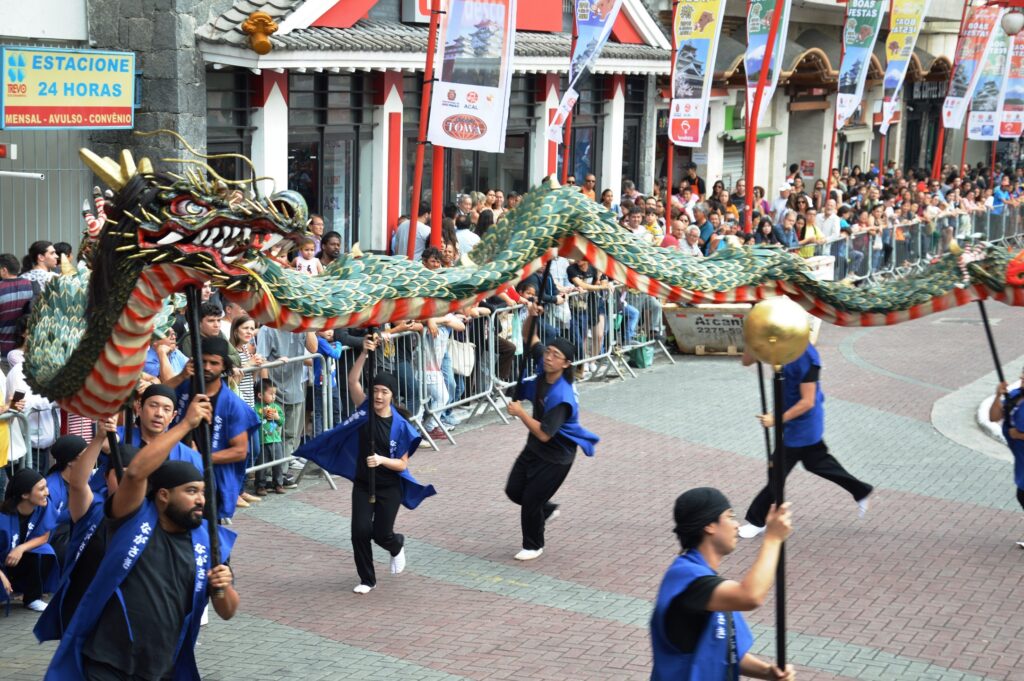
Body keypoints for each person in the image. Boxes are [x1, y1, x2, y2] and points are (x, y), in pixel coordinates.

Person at [43, 394, 241, 681]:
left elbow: (228, 611)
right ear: (161, 496)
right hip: (107, 661)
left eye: (202, 492)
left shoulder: (209, 542)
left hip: (160, 666)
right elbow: (131, 475)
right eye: (190, 492)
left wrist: (223, 588)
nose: (200, 500)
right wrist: (186, 423)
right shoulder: (131, 521)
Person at [293, 337, 435, 594]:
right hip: (362, 482)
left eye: (385, 392)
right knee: (359, 531)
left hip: (389, 485)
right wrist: (364, 354)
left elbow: (402, 465)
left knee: (381, 533)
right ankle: (367, 579)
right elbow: (352, 381)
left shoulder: (402, 427)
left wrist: (381, 460)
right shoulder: (365, 408)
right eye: (376, 390)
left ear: (392, 396)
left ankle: (396, 545)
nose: (379, 395)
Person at [651, 487, 795, 680]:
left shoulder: (697, 575)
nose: (736, 525)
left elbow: (724, 654)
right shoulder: (689, 580)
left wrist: (768, 672)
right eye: (730, 516)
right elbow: (750, 596)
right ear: (709, 526)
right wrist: (773, 539)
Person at [738, 343, 873, 538]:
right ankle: (861, 490)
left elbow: (807, 402)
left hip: (803, 425)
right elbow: (747, 361)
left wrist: (776, 419)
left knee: (777, 472)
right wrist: (753, 339)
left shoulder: (806, 357)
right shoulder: (777, 342)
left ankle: (756, 521)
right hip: (792, 420)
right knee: (816, 462)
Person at [505, 334, 599, 561]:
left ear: (566, 363)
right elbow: (532, 337)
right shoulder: (545, 366)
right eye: (548, 352)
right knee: (514, 490)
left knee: (530, 501)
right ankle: (545, 510)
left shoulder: (562, 396)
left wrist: (521, 413)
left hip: (556, 456)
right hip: (533, 448)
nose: (548, 357)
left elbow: (545, 434)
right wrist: (532, 314)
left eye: (555, 355)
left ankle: (533, 545)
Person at [174, 337, 259, 524]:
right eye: (202, 361)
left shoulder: (233, 405)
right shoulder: (185, 385)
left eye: (214, 363)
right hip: (176, 477)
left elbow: (239, 451)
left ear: (223, 366)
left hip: (210, 482)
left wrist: (199, 457)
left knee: (208, 538)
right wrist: (180, 376)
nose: (207, 367)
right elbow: (154, 396)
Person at [0, 468, 58, 611]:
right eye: (41, 489)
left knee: (43, 552)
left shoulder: (43, 506)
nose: (47, 492)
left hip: (14, 559)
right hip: (2, 564)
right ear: (25, 494)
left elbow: (44, 537)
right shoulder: (3, 517)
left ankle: (32, 598)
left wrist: (21, 548)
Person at [990, 367, 1024, 548]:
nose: (1021, 377)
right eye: (1023, 373)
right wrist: (997, 396)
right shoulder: (1015, 396)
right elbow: (993, 417)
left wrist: (1018, 435)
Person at [255, 379, 287, 495]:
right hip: (262, 441)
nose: (274, 397)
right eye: (271, 394)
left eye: (275, 394)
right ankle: (260, 485)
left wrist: (277, 417)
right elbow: (254, 422)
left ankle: (278, 483)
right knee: (261, 464)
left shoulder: (276, 407)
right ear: (260, 395)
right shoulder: (255, 408)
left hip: (275, 439)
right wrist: (262, 415)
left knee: (278, 463)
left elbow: (282, 421)